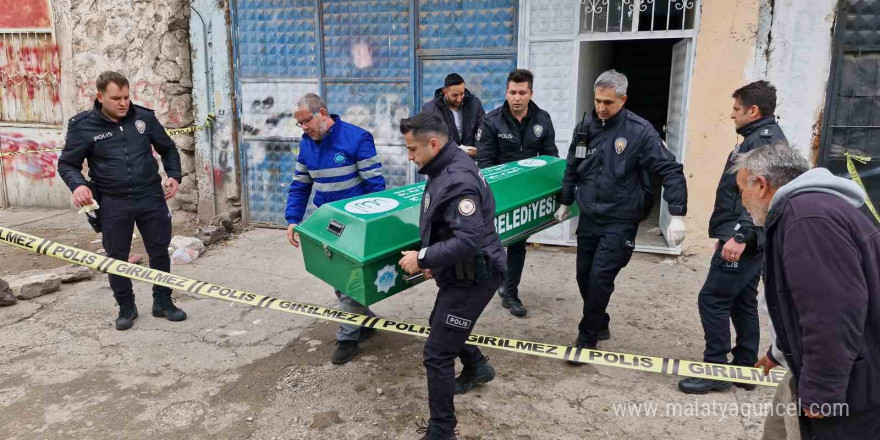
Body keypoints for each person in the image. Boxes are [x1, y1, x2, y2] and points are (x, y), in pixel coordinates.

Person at [732, 141, 880, 440]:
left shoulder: (807, 219)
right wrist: (780, 350)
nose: (742, 201)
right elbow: (803, 300)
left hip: (853, 386)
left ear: (760, 185)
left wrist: (823, 389)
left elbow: (833, 311)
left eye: (741, 190)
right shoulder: (809, 210)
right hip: (829, 368)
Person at [556, 69, 687, 350]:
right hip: (590, 214)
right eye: (598, 101)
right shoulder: (585, 127)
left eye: (608, 102)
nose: (601, 108)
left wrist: (676, 214)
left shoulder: (639, 132)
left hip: (621, 216)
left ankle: (586, 338)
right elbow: (572, 166)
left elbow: (671, 170)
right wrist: (566, 200)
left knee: (601, 276)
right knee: (584, 277)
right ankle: (599, 320)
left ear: (623, 99)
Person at [398, 112, 506, 440]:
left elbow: (468, 239)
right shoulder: (446, 163)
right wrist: (436, 258)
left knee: (437, 353)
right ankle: (477, 366)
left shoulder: (457, 177)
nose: (409, 155)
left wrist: (424, 257)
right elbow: (446, 222)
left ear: (433, 143)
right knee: (441, 326)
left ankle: (442, 431)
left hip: (475, 276)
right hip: (462, 270)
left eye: (413, 149)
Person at [679, 80, 788, 394]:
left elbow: (759, 194)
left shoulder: (761, 143)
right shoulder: (761, 137)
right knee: (743, 300)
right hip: (752, 235)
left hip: (746, 236)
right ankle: (744, 369)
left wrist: (738, 236)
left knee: (711, 299)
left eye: (737, 109)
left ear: (753, 110)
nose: (732, 115)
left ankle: (715, 368)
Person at [58, 71, 185, 331]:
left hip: (151, 196)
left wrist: (174, 176)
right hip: (112, 201)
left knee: (159, 250)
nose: (123, 103)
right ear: (100, 97)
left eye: (127, 97)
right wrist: (78, 185)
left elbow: (168, 148)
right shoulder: (83, 126)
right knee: (116, 256)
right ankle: (126, 307)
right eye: (116, 98)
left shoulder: (144, 118)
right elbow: (67, 164)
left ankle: (163, 301)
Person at [285, 93, 386, 364]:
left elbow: (375, 186)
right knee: (337, 277)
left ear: (323, 113)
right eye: (300, 124)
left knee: (350, 277)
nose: (304, 128)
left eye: (307, 121)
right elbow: (300, 186)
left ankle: (348, 337)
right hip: (327, 221)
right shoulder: (306, 146)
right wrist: (293, 219)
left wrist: (373, 225)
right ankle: (365, 321)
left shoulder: (357, 138)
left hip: (357, 223)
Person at [475, 68, 558, 317]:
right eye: (513, 92)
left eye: (522, 92)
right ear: (506, 92)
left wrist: (549, 192)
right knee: (489, 243)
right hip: (496, 193)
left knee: (519, 243)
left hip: (525, 194)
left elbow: (550, 157)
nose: (517, 97)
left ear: (530, 93)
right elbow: (485, 165)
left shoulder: (542, 120)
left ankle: (510, 292)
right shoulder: (491, 121)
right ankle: (486, 286)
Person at [421, 73, 485, 157]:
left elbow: (484, 131)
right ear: (445, 92)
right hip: (444, 162)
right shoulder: (430, 109)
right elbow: (428, 140)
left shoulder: (474, 104)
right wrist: (456, 149)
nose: (459, 99)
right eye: (454, 95)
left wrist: (479, 150)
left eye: (462, 94)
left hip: (469, 161)